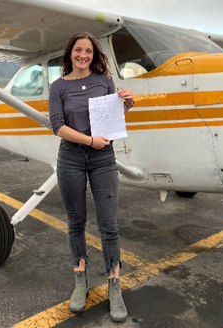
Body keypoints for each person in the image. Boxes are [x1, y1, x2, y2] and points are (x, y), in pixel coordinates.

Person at [49, 31, 134, 322]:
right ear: (70, 54)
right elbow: (57, 126)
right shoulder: (58, 86)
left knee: (109, 224)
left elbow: (113, 116)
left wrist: (127, 103)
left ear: (94, 55)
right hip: (71, 158)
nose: (83, 55)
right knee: (76, 222)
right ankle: (80, 281)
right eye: (78, 50)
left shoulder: (104, 81)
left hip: (103, 159)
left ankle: (114, 285)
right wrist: (89, 142)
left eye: (88, 51)